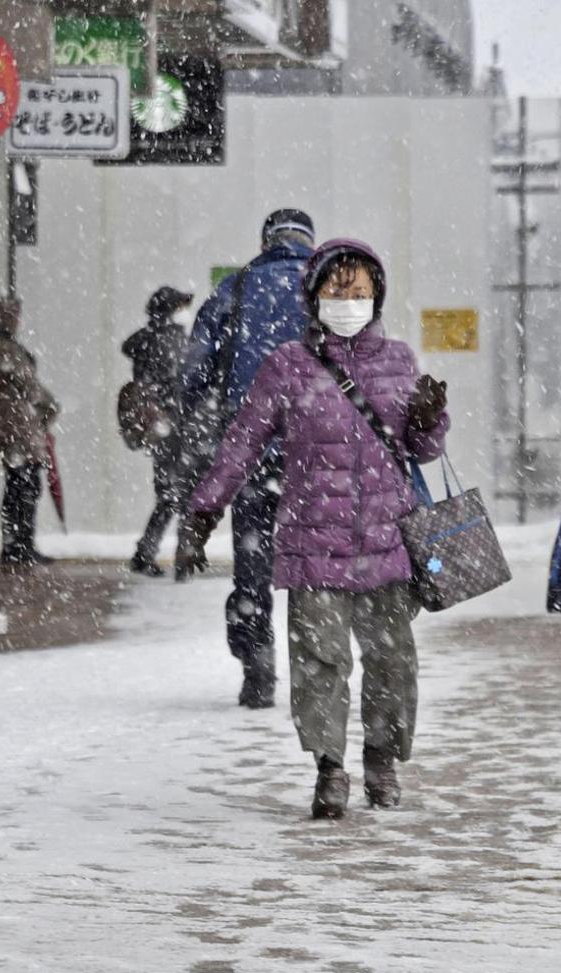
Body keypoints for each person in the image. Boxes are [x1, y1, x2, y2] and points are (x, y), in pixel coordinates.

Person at [179, 239, 450, 819]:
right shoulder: (288, 365)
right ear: (313, 296)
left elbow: (420, 449)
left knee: (390, 662)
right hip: (312, 542)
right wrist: (204, 509)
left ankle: (381, 756)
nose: (347, 300)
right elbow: (243, 444)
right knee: (320, 662)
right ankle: (330, 770)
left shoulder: (399, 360)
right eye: (335, 290)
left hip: (386, 540)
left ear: (377, 296)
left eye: (358, 291)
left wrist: (430, 418)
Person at [178, 209, 317, 709]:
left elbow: (196, 367)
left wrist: (198, 408)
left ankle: (257, 659)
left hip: (252, 448)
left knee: (252, 562)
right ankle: (318, 664)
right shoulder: (328, 289)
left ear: (267, 239)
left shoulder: (235, 290)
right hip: (318, 453)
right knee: (318, 560)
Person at [122, 285, 195, 576]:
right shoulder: (170, 340)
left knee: (168, 494)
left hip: (158, 428)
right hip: (175, 426)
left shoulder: (145, 340)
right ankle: (180, 558)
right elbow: (181, 383)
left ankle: (147, 552)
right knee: (181, 494)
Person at [0, 297, 59, 568]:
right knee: (25, 487)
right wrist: (49, 406)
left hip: (16, 426)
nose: (18, 321)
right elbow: (29, 385)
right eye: (13, 316)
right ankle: (19, 545)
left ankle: (18, 544)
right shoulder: (4, 350)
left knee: (21, 487)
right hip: (17, 427)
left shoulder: (0, 348)